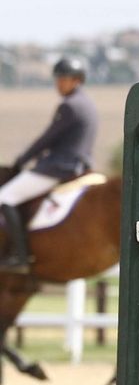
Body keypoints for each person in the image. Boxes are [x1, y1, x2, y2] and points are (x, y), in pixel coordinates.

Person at [0, 57, 98, 272]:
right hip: (80, 166)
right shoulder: (88, 104)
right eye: (57, 79)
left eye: (63, 79)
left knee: (5, 197)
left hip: (58, 167)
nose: (59, 84)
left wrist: (22, 160)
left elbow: (47, 138)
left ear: (77, 80)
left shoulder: (70, 106)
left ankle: (20, 255)